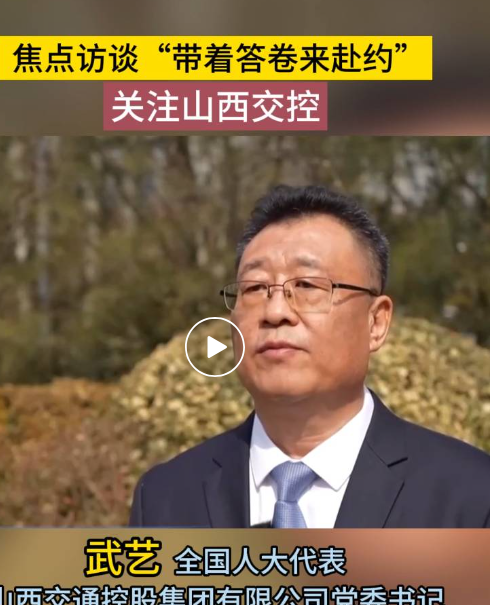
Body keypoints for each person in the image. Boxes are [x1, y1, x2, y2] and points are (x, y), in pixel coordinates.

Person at [129, 184, 489, 528]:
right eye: (255, 288)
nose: (275, 312)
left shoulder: (470, 494)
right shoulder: (165, 498)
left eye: (306, 285)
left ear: (376, 322)